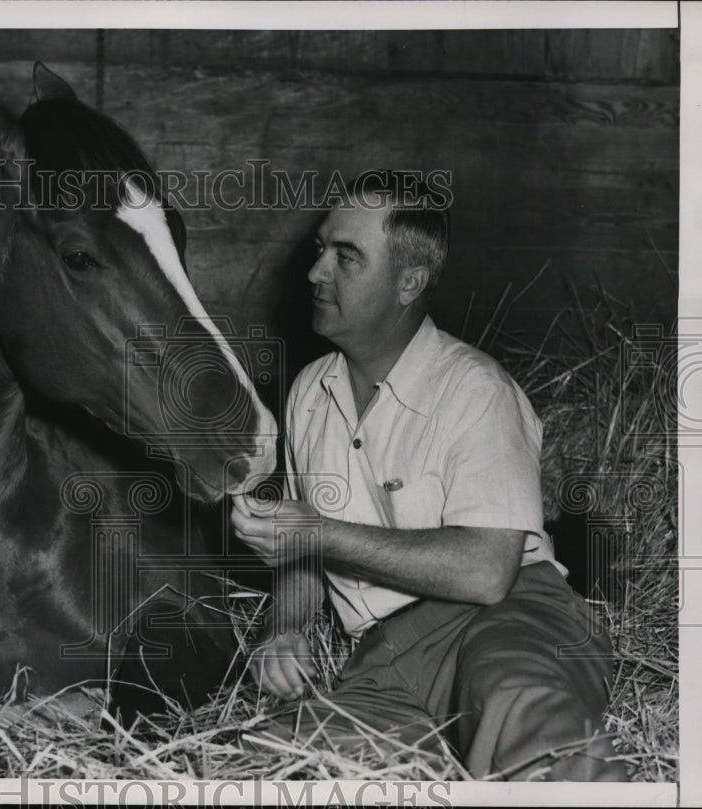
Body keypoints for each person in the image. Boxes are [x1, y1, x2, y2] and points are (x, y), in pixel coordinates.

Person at [230, 172, 626, 781]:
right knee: (273, 766)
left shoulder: (474, 388)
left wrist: (321, 535)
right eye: (319, 251)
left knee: (523, 711)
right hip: (387, 654)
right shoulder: (308, 392)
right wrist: (285, 627)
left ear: (408, 283)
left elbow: (487, 571)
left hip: (513, 614)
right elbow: (302, 549)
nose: (315, 274)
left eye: (347, 257)